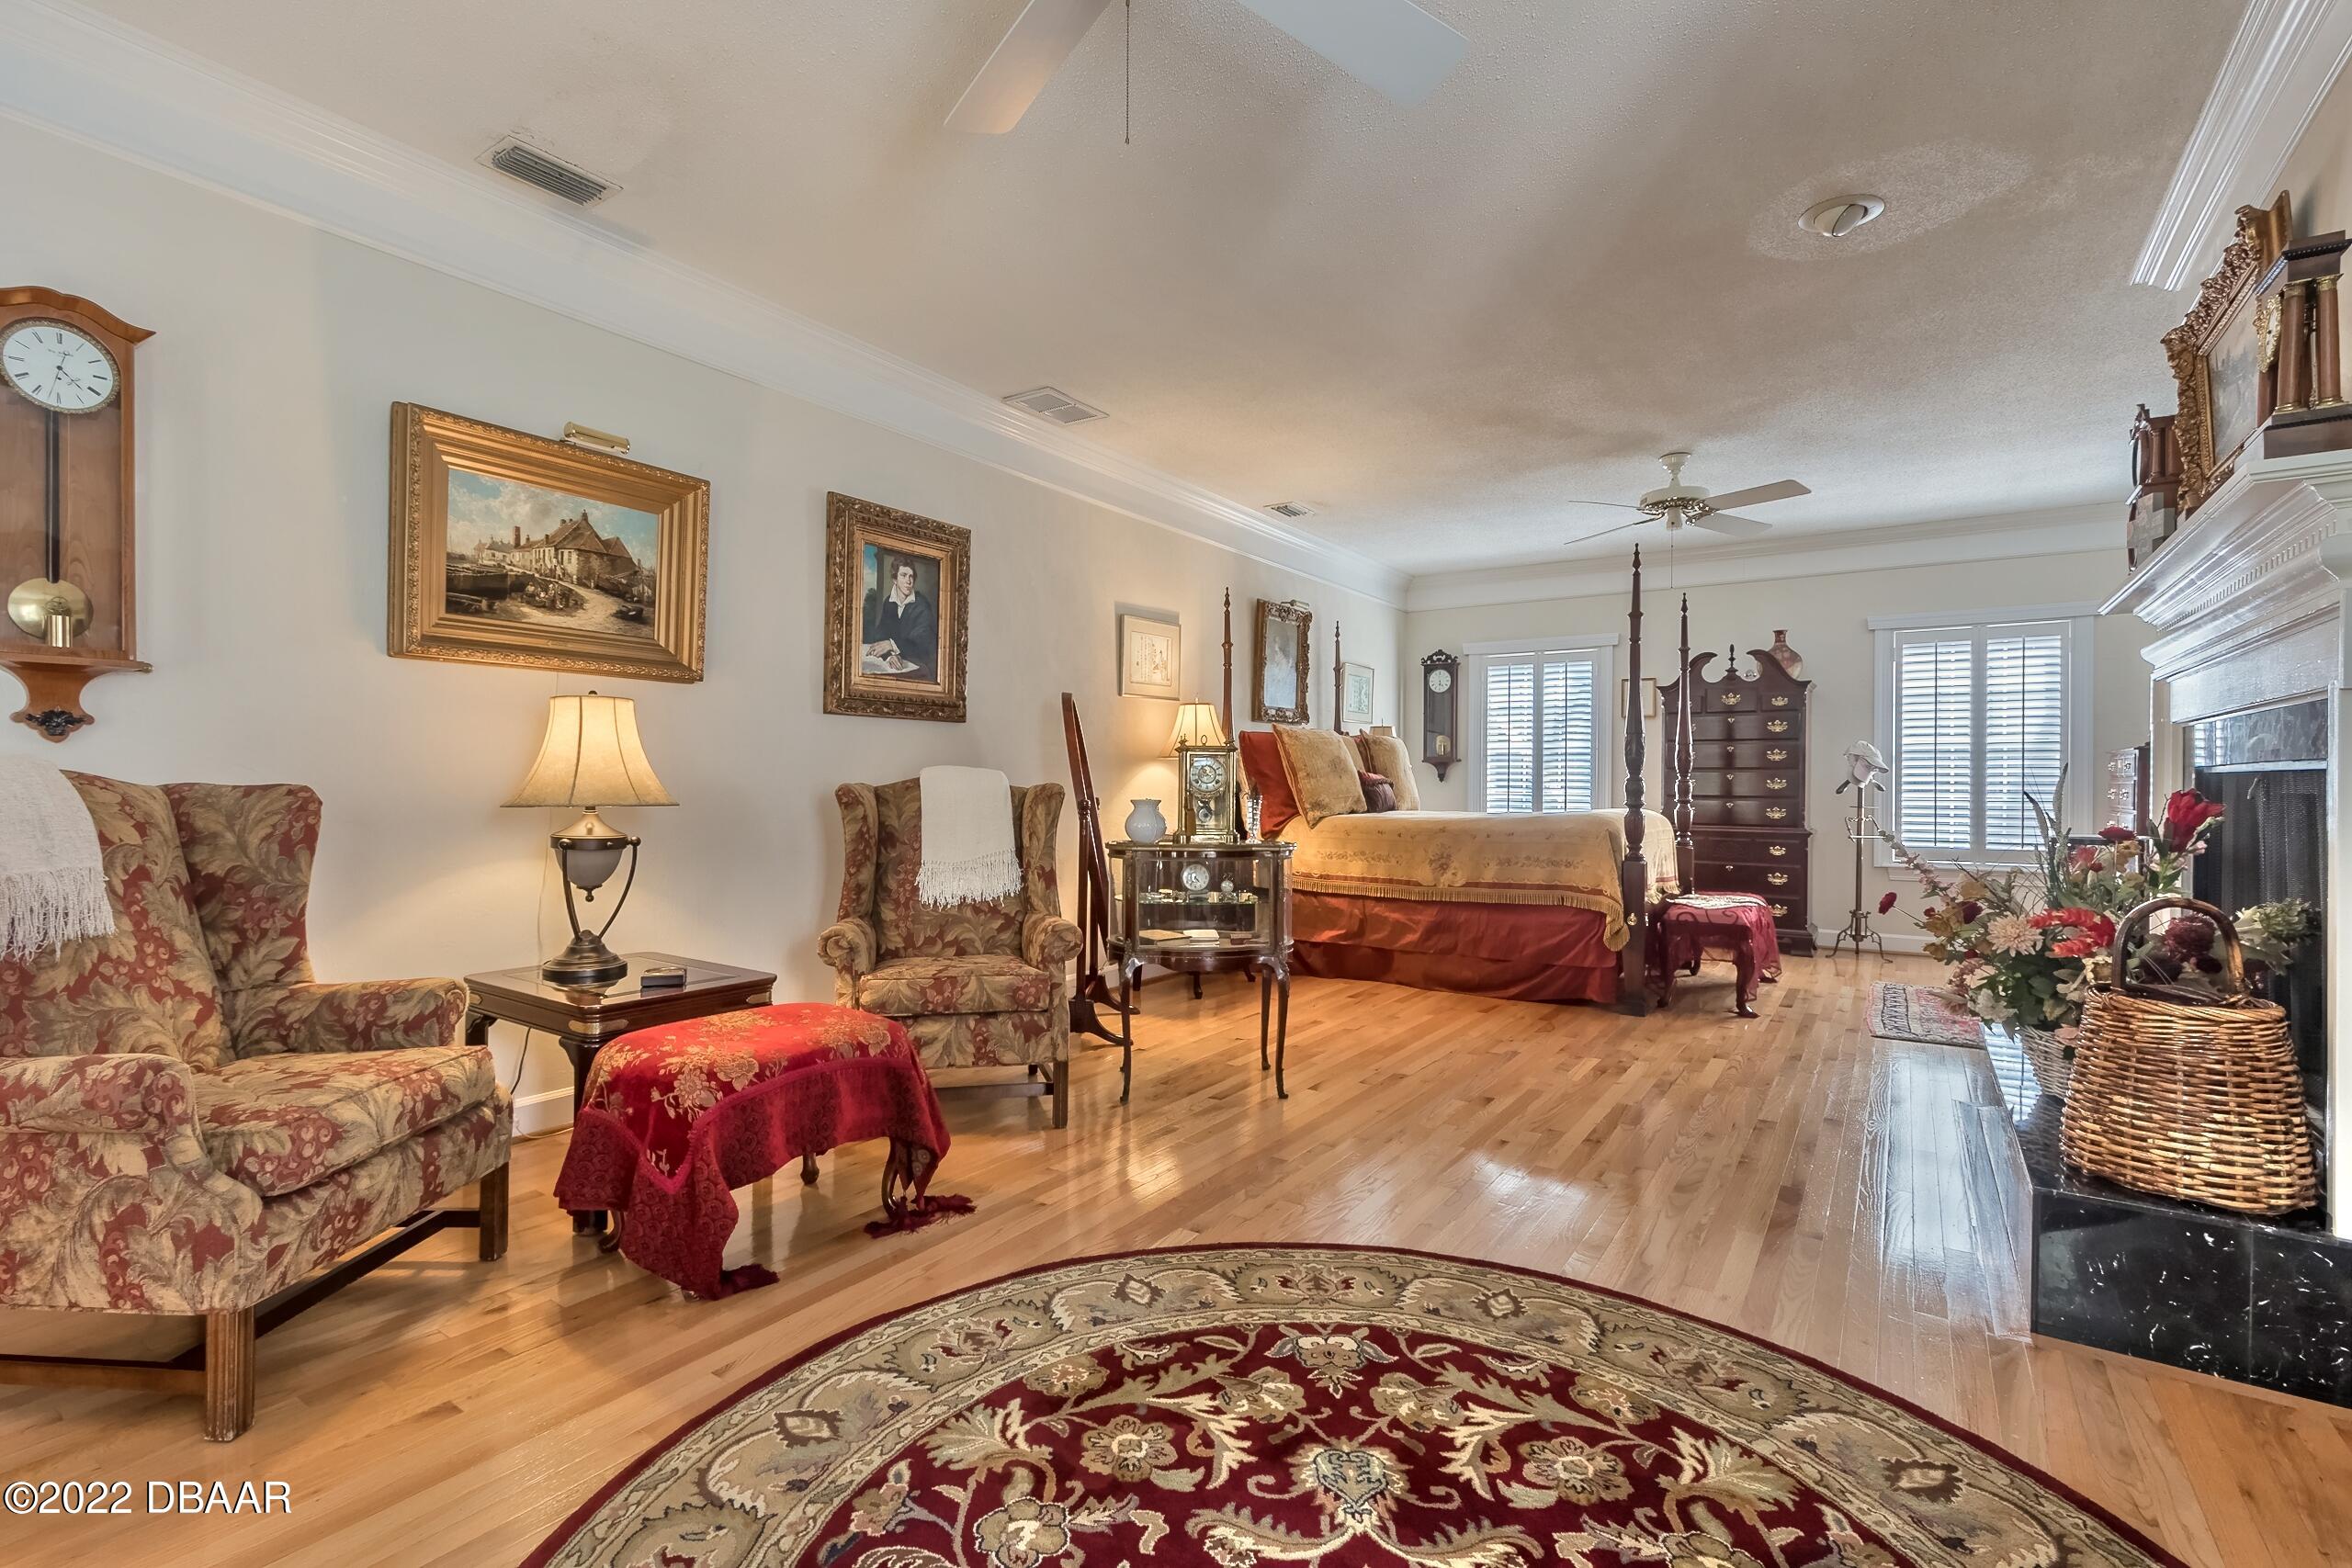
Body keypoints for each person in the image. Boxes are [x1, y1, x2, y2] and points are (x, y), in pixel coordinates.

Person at [862, 555, 937, 677]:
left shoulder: (921, 605)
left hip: (922, 667)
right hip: (898, 664)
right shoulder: (889, 602)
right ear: (895, 579)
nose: (909, 581)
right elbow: (880, 635)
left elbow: (923, 645)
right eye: (904, 575)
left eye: (911, 576)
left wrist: (892, 645)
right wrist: (890, 655)